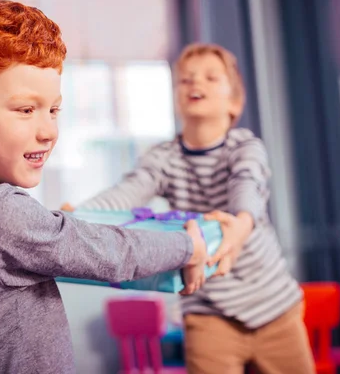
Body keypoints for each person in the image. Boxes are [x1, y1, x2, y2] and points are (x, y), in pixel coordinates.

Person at [0, 0, 208, 374]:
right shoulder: (0, 213)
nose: (48, 131)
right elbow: (113, 253)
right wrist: (187, 246)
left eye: (53, 110)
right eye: (26, 110)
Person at [64, 43, 315, 374]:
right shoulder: (164, 158)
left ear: (234, 102)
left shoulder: (244, 147)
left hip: (273, 307)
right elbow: (128, 191)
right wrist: (79, 215)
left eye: (211, 78)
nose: (196, 84)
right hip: (207, 314)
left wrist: (240, 225)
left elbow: (248, 186)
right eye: (185, 80)